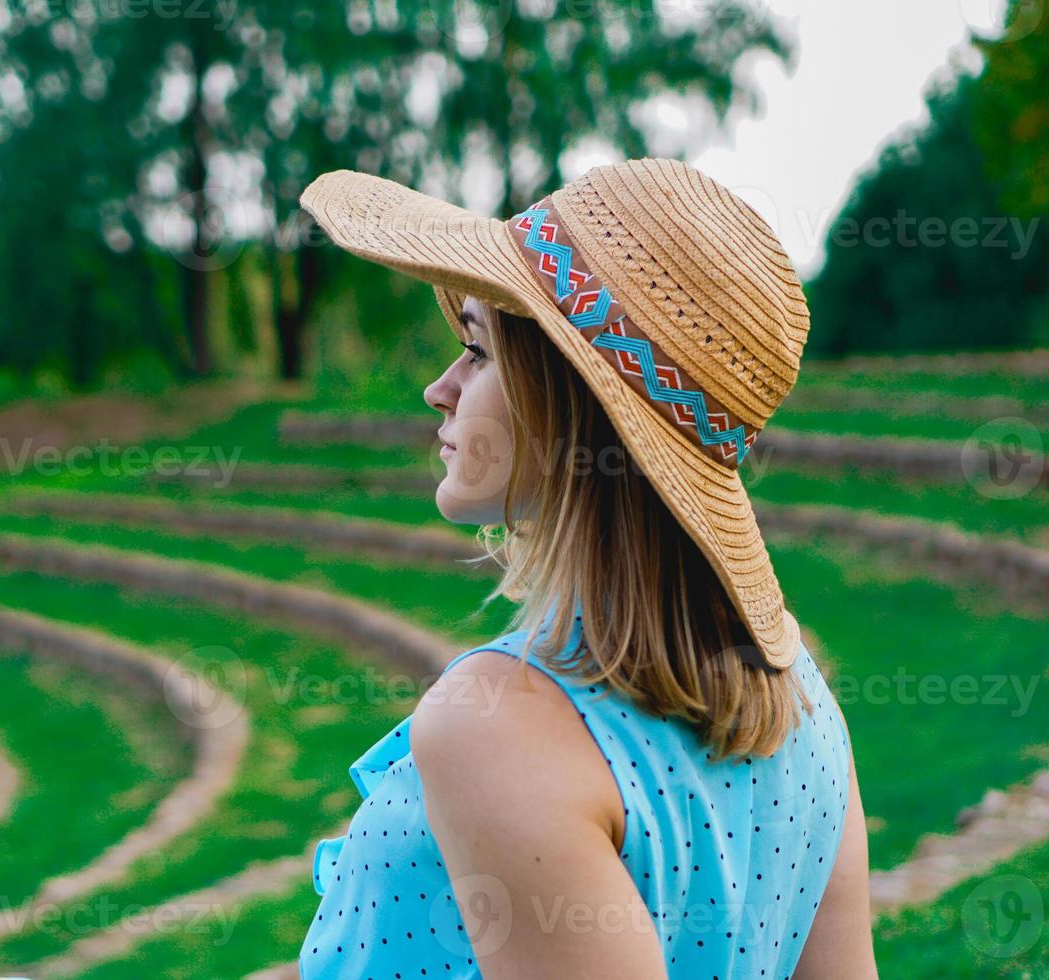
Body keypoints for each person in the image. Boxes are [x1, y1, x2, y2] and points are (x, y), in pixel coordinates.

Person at [295, 158, 875, 979]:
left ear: (570, 397)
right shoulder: (801, 702)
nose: (439, 388)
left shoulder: (495, 728)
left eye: (477, 350)